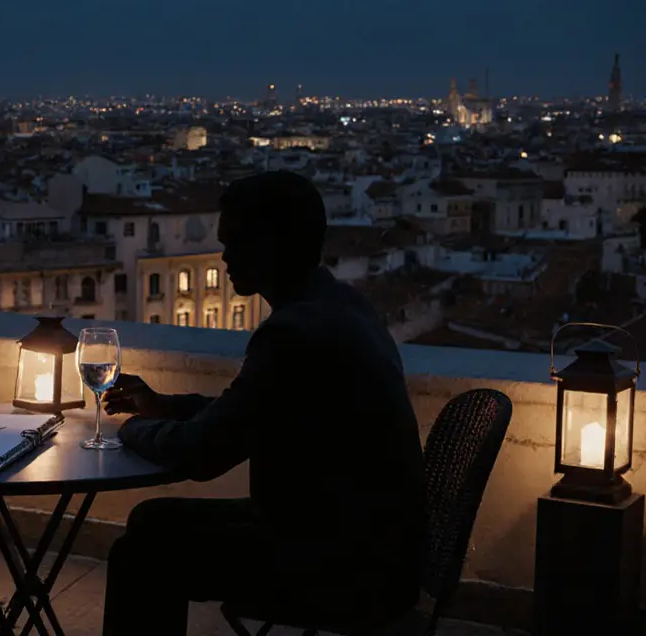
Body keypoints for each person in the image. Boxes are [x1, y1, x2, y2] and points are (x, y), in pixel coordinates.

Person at [101, 171, 426, 635]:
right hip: (373, 546)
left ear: (277, 245)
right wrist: (164, 406)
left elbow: (202, 452)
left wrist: (129, 429)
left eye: (237, 241)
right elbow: (255, 409)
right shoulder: (340, 305)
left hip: (338, 563)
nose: (225, 256)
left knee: (142, 549)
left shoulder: (294, 333)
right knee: (152, 521)